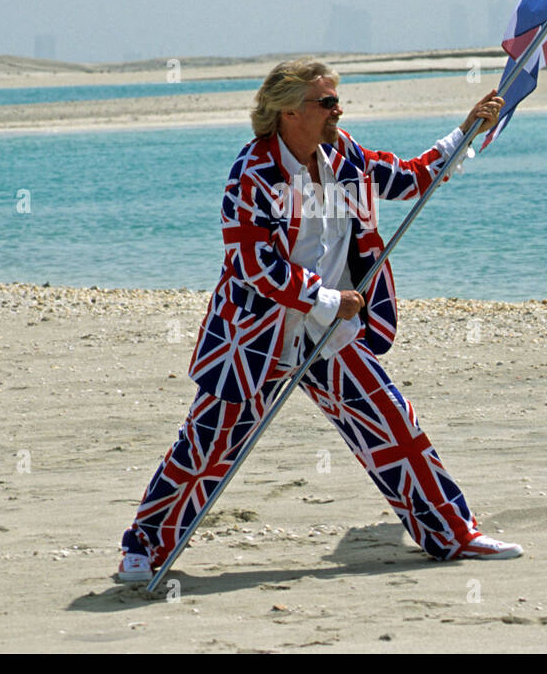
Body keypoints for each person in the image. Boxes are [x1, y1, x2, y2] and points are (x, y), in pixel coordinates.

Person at [117, 58, 520, 582]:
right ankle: (142, 548)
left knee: (395, 426)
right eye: (326, 102)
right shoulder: (252, 174)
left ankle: (453, 534)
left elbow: (412, 177)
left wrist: (466, 131)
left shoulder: (343, 154)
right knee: (206, 445)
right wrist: (327, 298)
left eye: (336, 100)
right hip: (256, 339)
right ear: (289, 112)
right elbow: (253, 264)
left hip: (331, 337)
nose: (337, 110)